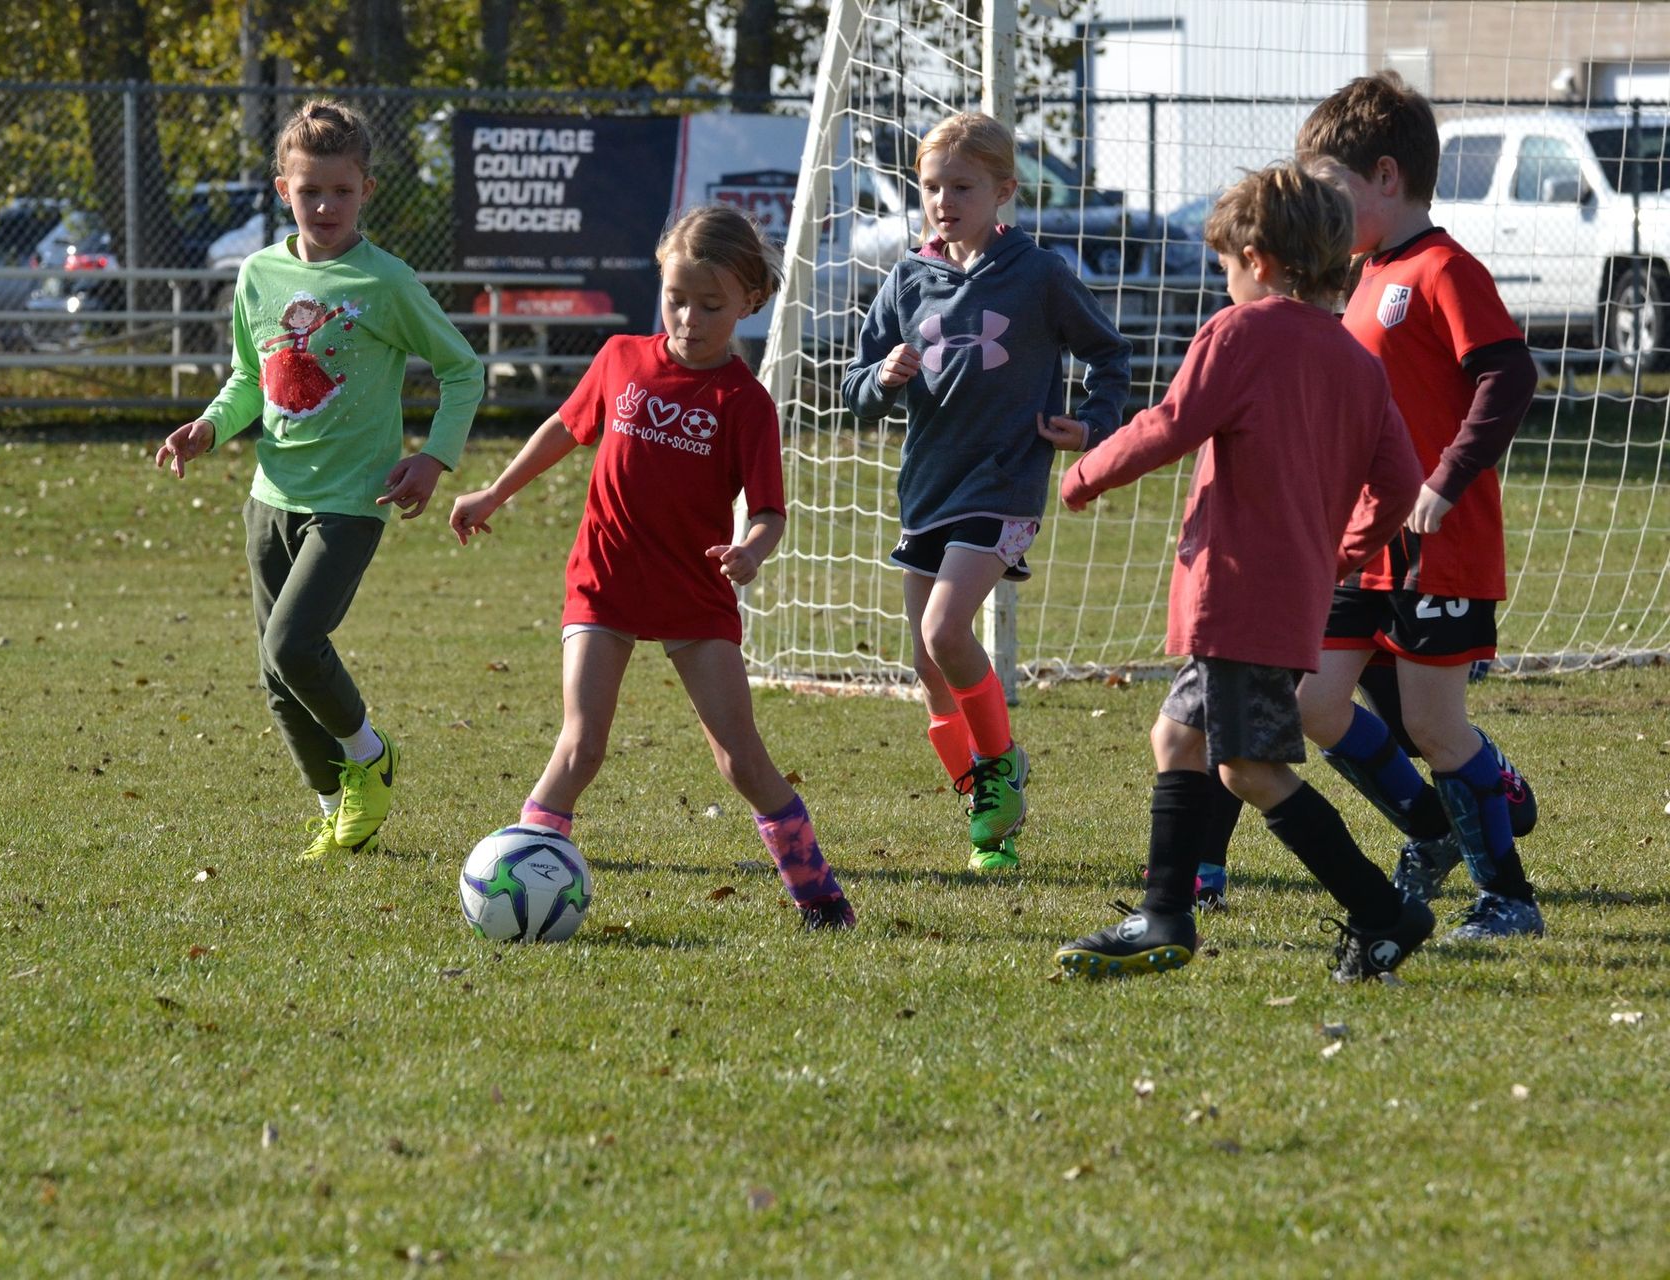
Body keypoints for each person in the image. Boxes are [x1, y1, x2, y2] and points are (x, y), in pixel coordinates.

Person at [1052, 162, 1431, 982]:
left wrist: (1087, 471)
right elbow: (1401, 485)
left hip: (1236, 595)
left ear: (1258, 260)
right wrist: (1343, 551)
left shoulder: (1241, 334)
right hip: (1283, 600)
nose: (1224, 283)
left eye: (1225, 266)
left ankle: (1382, 913)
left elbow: (1171, 422)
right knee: (1176, 737)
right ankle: (1164, 914)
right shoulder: (1359, 362)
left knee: (1249, 768)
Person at [448, 205, 856, 931]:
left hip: (695, 593)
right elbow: (562, 430)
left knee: (740, 759)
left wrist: (751, 552)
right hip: (603, 581)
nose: (690, 318)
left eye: (711, 305)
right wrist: (494, 492)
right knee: (583, 743)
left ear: (748, 303)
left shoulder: (746, 403)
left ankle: (817, 891)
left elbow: (769, 511)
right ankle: (523, 878)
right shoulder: (620, 359)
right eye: (676, 299)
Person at [155, 99, 484, 863]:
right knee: (276, 671)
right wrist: (209, 426)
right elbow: (248, 378)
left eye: (341, 190)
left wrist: (433, 457)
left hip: (351, 501)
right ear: (282, 191)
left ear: (366, 189)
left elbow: (463, 370)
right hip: (270, 498)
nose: (326, 206)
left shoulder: (385, 283)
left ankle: (370, 756)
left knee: (295, 643)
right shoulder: (258, 275)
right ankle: (339, 810)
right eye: (310, 192)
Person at [840, 111, 1132, 871]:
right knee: (929, 672)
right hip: (927, 490)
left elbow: (1109, 355)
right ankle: (989, 829)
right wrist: (882, 377)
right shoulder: (908, 279)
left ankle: (1002, 766)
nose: (944, 200)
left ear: (1004, 190)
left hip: (1003, 487)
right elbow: (853, 387)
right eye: (931, 186)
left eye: (962, 186)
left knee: (945, 632)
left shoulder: (1038, 275)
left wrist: (1093, 423)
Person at [1293, 72, 1546, 940]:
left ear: (1388, 177)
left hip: (1441, 537)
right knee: (1312, 705)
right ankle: (1436, 832)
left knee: (1438, 728)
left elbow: (1510, 375)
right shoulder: (1360, 277)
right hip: (1365, 542)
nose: (1321, 213)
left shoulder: (1444, 269)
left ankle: (1509, 898)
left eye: (1332, 191)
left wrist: (1446, 481)